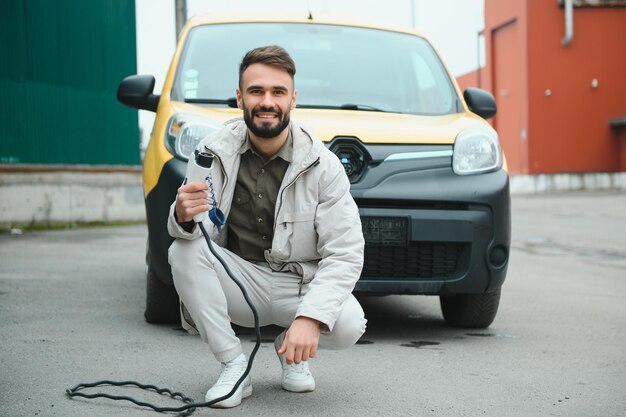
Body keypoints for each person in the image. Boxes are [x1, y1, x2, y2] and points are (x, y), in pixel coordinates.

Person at [167, 45, 366, 408]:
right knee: (182, 249)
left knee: (350, 322)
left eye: (278, 92)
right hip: (239, 281)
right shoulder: (215, 150)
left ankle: (290, 351)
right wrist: (181, 216)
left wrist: (309, 318)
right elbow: (193, 232)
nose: (267, 101)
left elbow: (346, 251)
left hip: (298, 285)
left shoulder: (324, 165)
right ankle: (233, 367)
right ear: (240, 98)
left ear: (293, 99)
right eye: (256, 91)